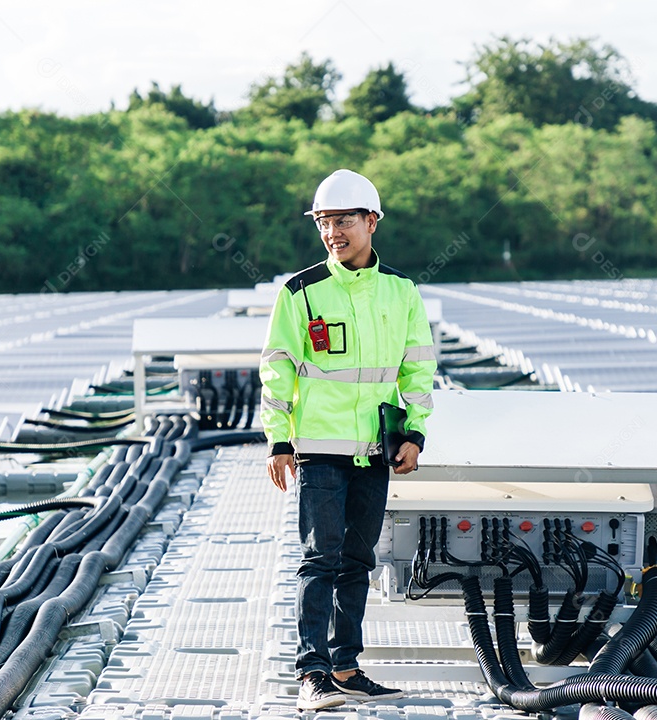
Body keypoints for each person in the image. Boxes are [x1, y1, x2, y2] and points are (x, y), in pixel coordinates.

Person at [259, 169, 436, 711]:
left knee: (358, 560)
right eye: (323, 222)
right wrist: (278, 441)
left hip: (375, 449)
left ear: (371, 222)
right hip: (318, 449)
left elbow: (418, 368)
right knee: (319, 560)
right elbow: (277, 368)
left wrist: (415, 434)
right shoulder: (300, 291)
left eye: (342, 221)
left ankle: (345, 666)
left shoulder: (401, 290)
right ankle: (310, 673)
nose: (332, 231)